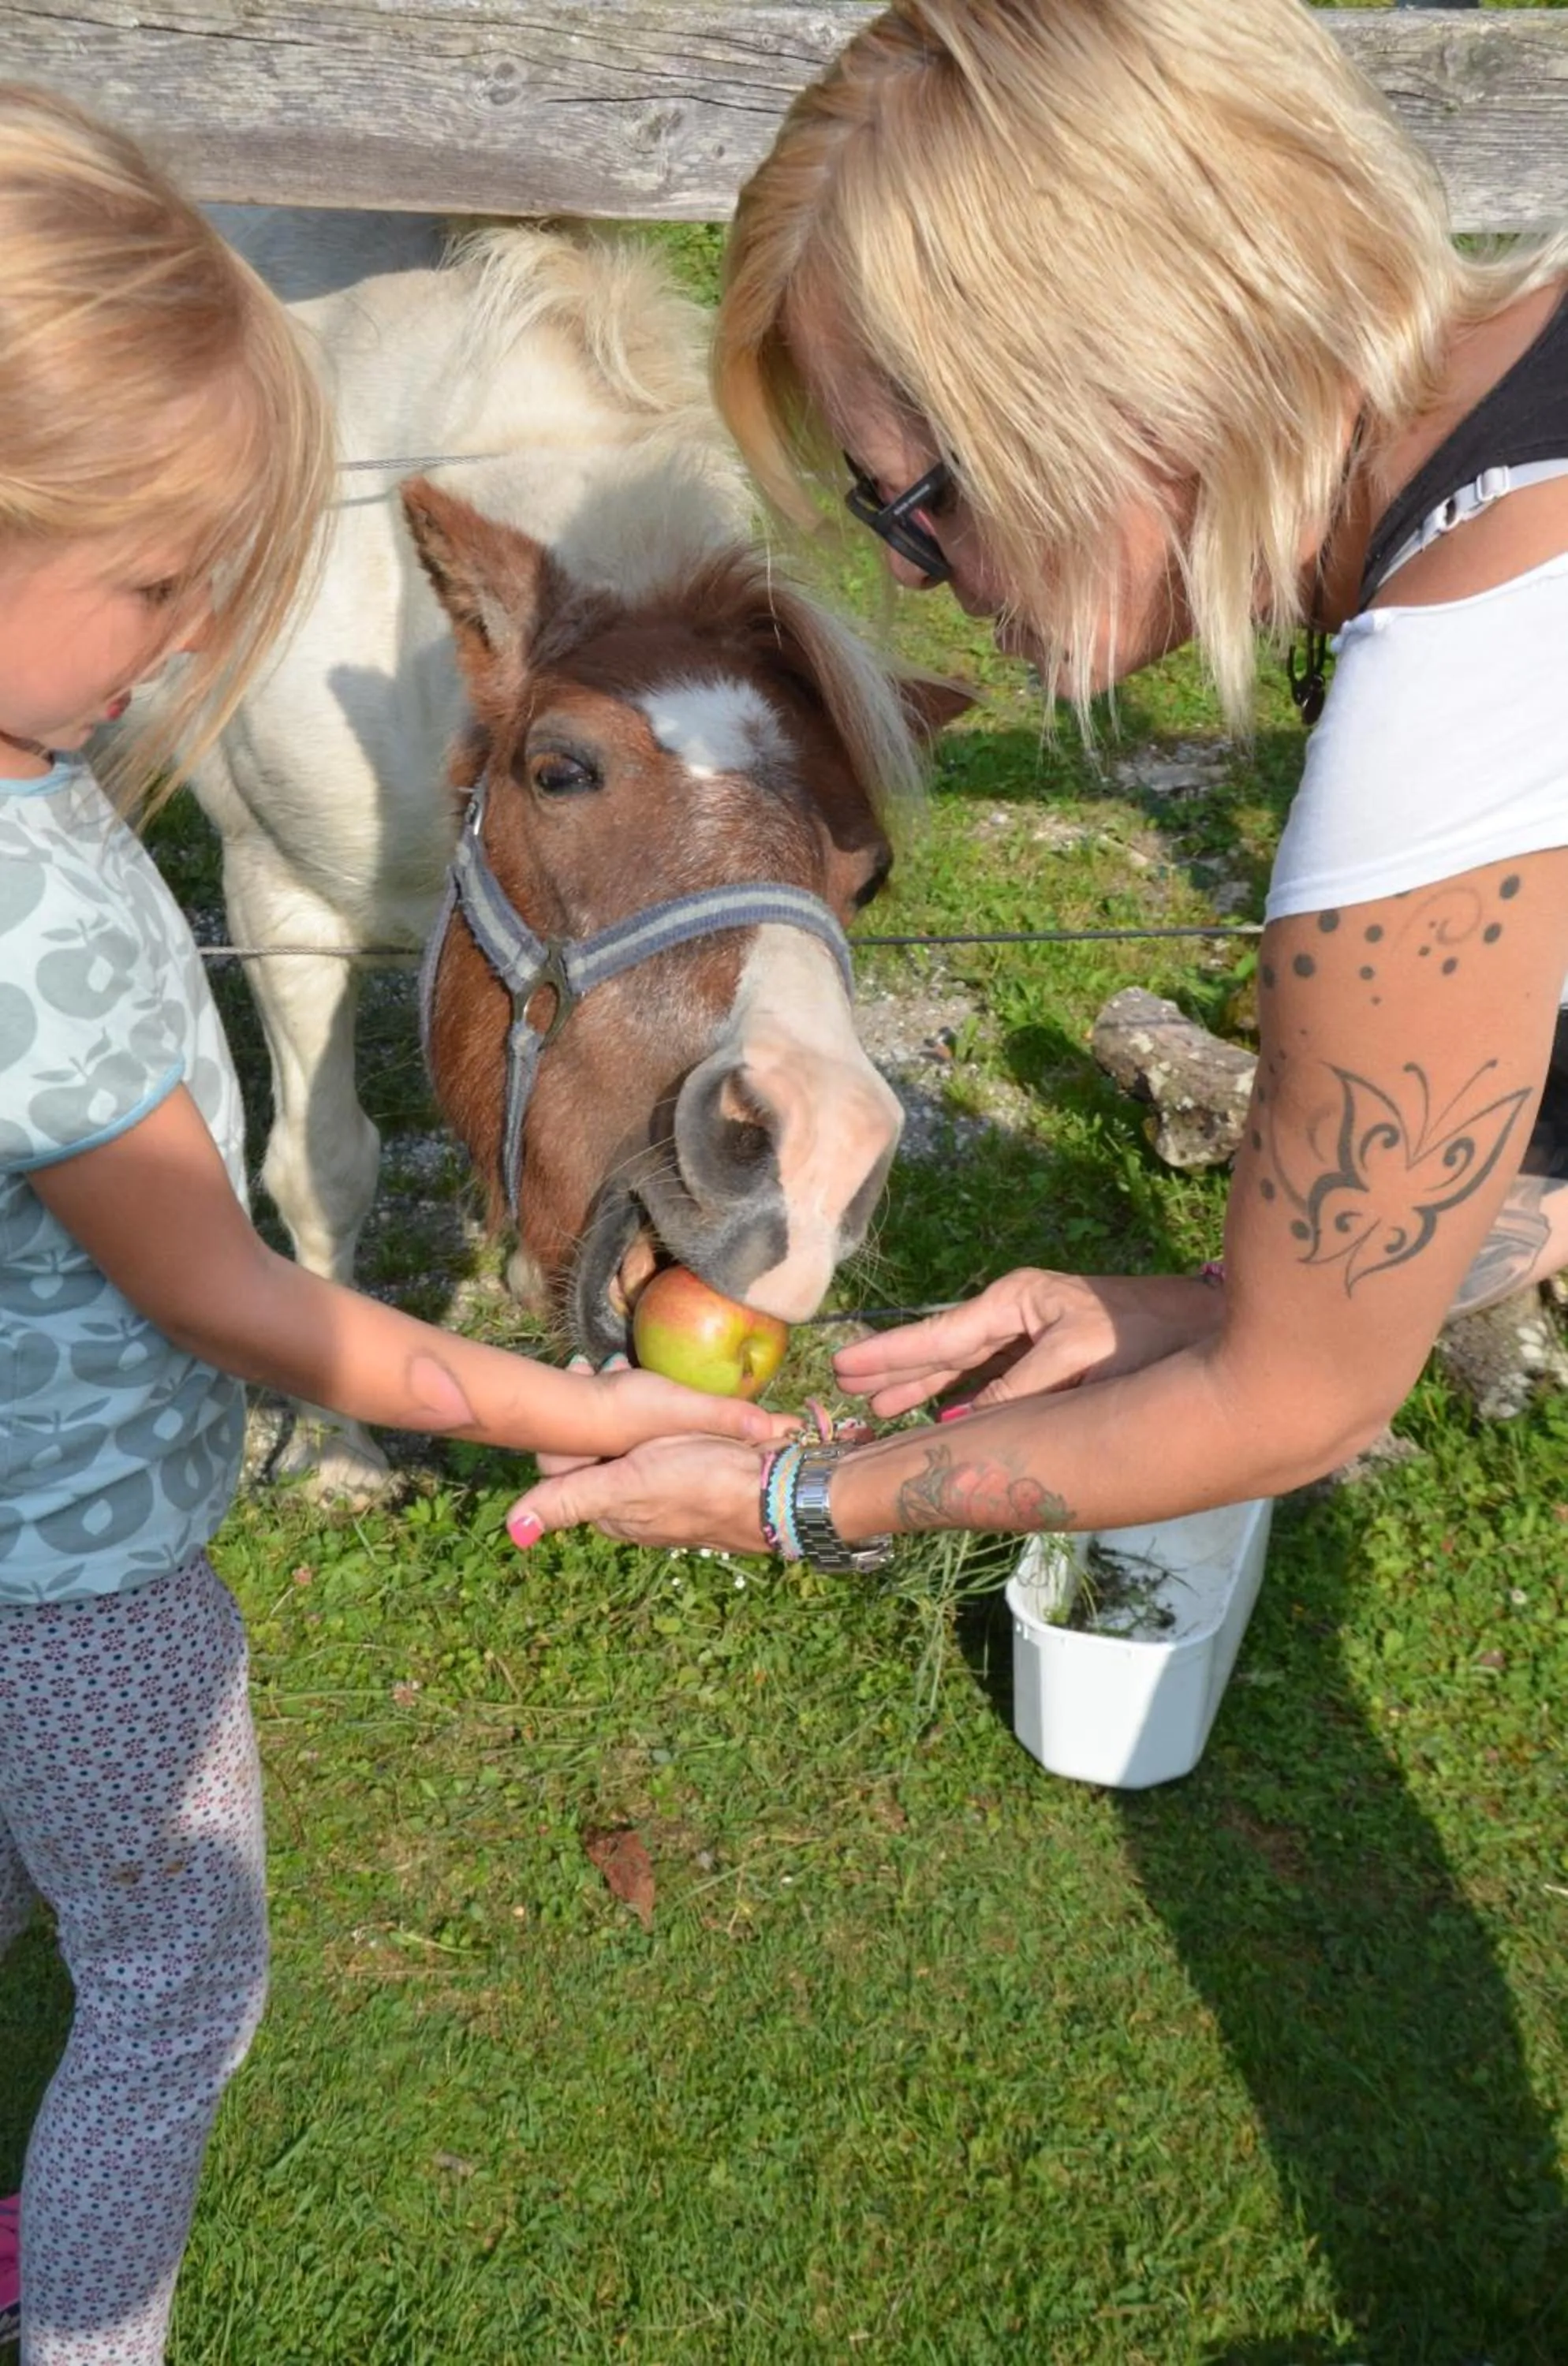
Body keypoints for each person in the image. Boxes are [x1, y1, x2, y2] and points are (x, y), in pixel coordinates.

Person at [0, 84, 790, 2365]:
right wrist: (551, 1392)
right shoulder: (37, 923)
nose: (190, 646)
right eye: (155, 583)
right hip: (83, 1576)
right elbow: (224, 1287)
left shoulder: (43, 802)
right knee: (173, 1977)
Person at [505, 0, 1568, 1569]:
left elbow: (1299, 1406)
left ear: (1103, 379)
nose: (916, 582)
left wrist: (794, 1497)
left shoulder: (1460, 691)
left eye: (918, 502)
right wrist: (1195, 1310)